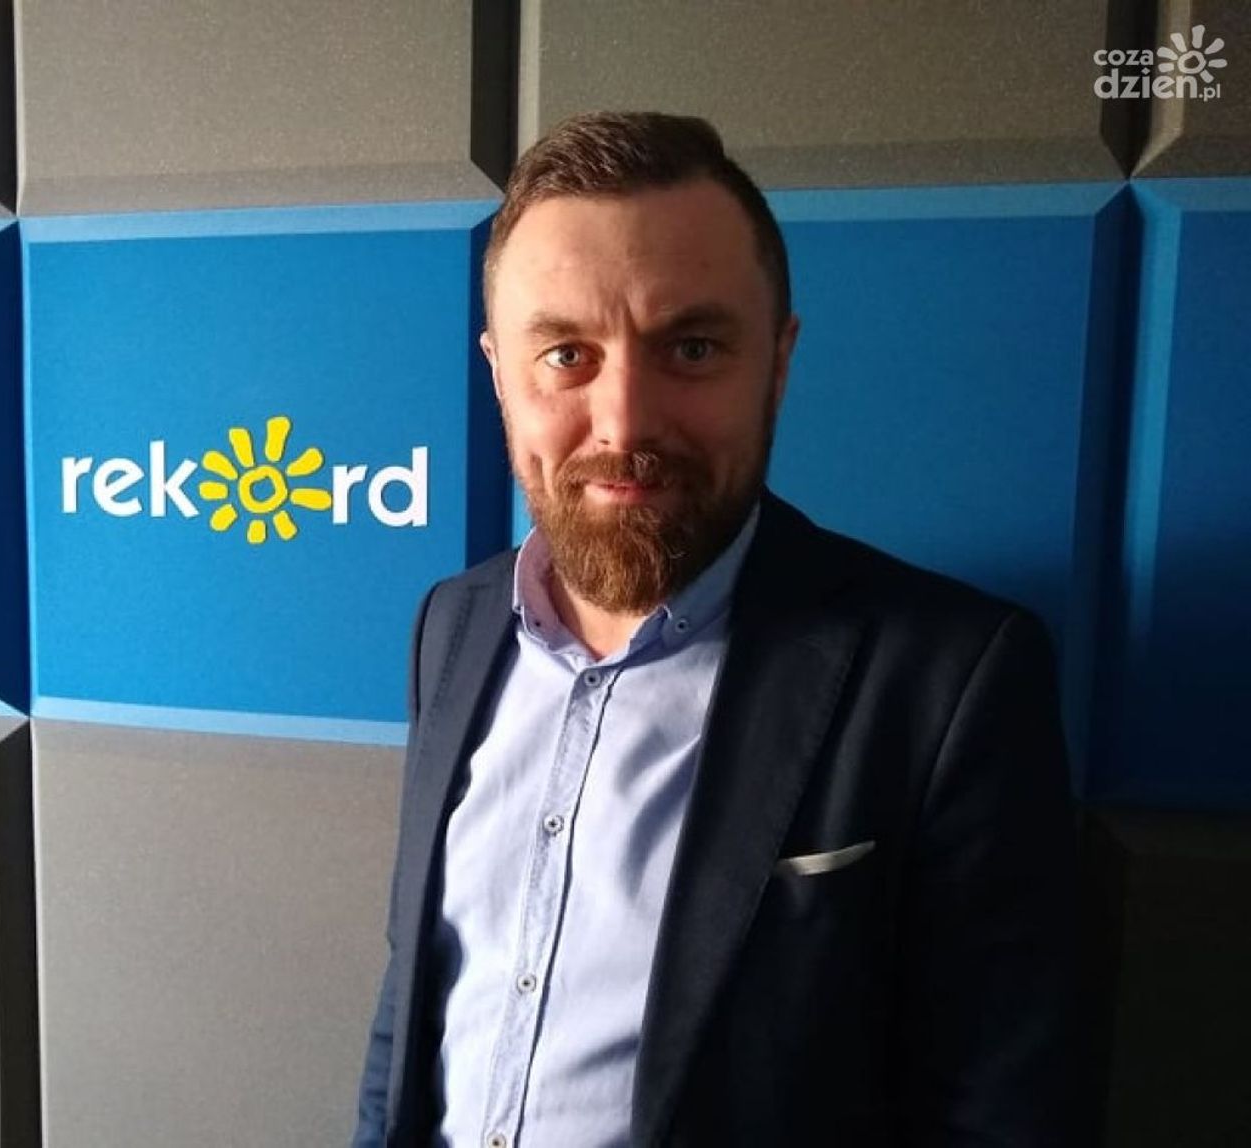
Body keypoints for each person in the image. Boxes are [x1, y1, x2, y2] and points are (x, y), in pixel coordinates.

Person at [352, 111, 1077, 1148]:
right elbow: (414, 999)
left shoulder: (952, 678)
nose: (625, 422)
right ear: (501, 371)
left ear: (776, 361)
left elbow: (999, 1113)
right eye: (566, 353)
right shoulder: (451, 626)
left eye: (691, 347)